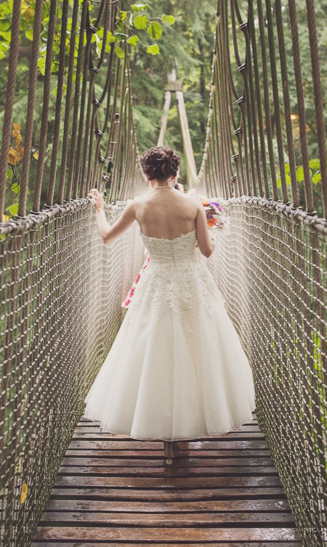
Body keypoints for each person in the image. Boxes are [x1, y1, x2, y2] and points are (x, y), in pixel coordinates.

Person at [84, 146, 254, 463]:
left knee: (153, 351)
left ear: (146, 175)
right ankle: (189, 423)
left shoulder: (138, 206)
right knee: (197, 351)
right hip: (193, 284)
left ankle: (164, 433)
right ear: (175, 174)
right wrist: (211, 232)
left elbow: (107, 237)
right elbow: (206, 251)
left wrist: (99, 209)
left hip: (156, 284)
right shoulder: (193, 206)